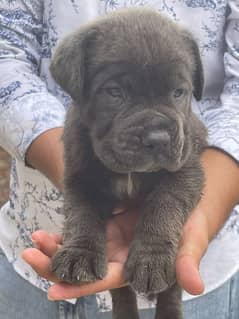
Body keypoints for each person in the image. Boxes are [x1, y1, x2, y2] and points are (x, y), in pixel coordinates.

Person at [0, 0, 239, 318]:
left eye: (177, 92)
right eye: (117, 92)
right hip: (32, 255)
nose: (156, 134)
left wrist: (197, 221)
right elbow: (6, 59)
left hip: (203, 267)